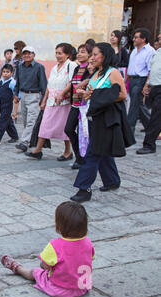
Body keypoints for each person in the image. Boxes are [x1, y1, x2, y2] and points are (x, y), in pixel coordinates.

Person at [71, 43, 134, 203]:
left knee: (93, 154)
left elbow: (122, 94)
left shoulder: (113, 72)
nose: (92, 58)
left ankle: (84, 188)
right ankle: (112, 181)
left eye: (95, 54)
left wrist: (96, 94)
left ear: (105, 56)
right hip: (94, 118)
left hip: (106, 120)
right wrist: (85, 94)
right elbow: (92, 95)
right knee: (102, 152)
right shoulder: (96, 73)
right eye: (92, 54)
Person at [1, 201, 95, 297]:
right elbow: (90, 259)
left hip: (59, 289)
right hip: (82, 288)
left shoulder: (55, 245)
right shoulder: (88, 242)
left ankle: (17, 268)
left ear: (59, 225)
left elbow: (44, 266)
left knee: (35, 272)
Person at [25, 43, 76, 160]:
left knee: (65, 128)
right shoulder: (54, 68)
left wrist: (62, 93)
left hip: (63, 102)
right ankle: (38, 150)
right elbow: (49, 85)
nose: (57, 56)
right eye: (56, 53)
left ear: (67, 54)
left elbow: (72, 82)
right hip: (51, 102)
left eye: (60, 53)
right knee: (44, 125)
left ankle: (68, 152)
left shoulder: (71, 66)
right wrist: (44, 100)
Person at [64, 44, 93, 169]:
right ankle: (79, 157)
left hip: (85, 106)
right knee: (69, 129)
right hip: (75, 105)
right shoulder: (77, 68)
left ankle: (85, 159)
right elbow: (73, 85)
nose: (79, 54)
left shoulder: (90, 69)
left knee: (85, 133)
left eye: (83, 52)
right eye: (78, 52)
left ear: (90, 55)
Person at [13, 46, 48, 153]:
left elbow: (43, 84)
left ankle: (24, 142)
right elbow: (17, 81)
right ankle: (31, 141)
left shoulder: (39, 67)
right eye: (25, 53)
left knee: (31, 121)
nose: (27, 55)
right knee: (25, 120)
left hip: (34, 96)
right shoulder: (20, 66)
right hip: (23, 95)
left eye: (29, 53)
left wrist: (44, 100)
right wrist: (16, 94)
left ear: (34, 55)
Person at [126, 28, 156, 133]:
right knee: (139, 104)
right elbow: (130, 68)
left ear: (143, 39)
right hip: (132, 79)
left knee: (134, 105)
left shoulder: (150, 51)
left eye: (136, 37)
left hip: (141, 80)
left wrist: (146, 85)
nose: (133, 39)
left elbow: (150, 70)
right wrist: (125, 81)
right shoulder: (134, 51)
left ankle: (129, 129)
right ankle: (152, 126)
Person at [137, 33, 161, 155]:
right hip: (155, 87)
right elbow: (152, 70)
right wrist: (147, 84)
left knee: (156, 117)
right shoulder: (157, 52)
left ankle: (149, 144)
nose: (159, 37)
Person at [0, 64, 19, 147]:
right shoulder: (1, 81)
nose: (5, 74)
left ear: (12, 73)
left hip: (8, 105)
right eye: (4, 72)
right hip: (1, 104)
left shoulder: (12, 82)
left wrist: (17, 98)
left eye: (7, 72)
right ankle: (14, 136)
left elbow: (16, 91)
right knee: (8, 121)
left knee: (2, 122)